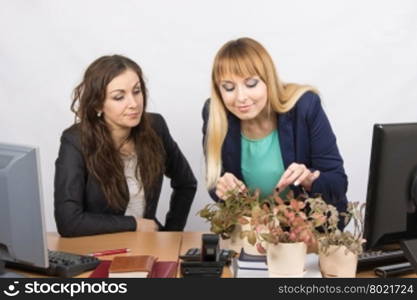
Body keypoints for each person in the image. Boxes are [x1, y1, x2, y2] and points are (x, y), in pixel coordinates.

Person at [55, 55, 197, 237]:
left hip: (146, 246)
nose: (134, 104)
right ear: (98, 104)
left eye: (137, 91)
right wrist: (134, 224)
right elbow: (68, 222)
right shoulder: (75, 141)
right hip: (99, 248)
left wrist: (171, 233)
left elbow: (186, 183)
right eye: (119, 97)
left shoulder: (156, 127)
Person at [202, 37, 347, 214]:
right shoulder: (216, 114)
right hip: (254, 232)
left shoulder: (304, 106)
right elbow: (214, 180)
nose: (241, 97)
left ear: (268, 81)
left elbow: (338, 184)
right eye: (229, 88)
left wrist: (309, 179)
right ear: (219, 90)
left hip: (310, 231)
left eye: (251, 84)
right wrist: (222, 187)